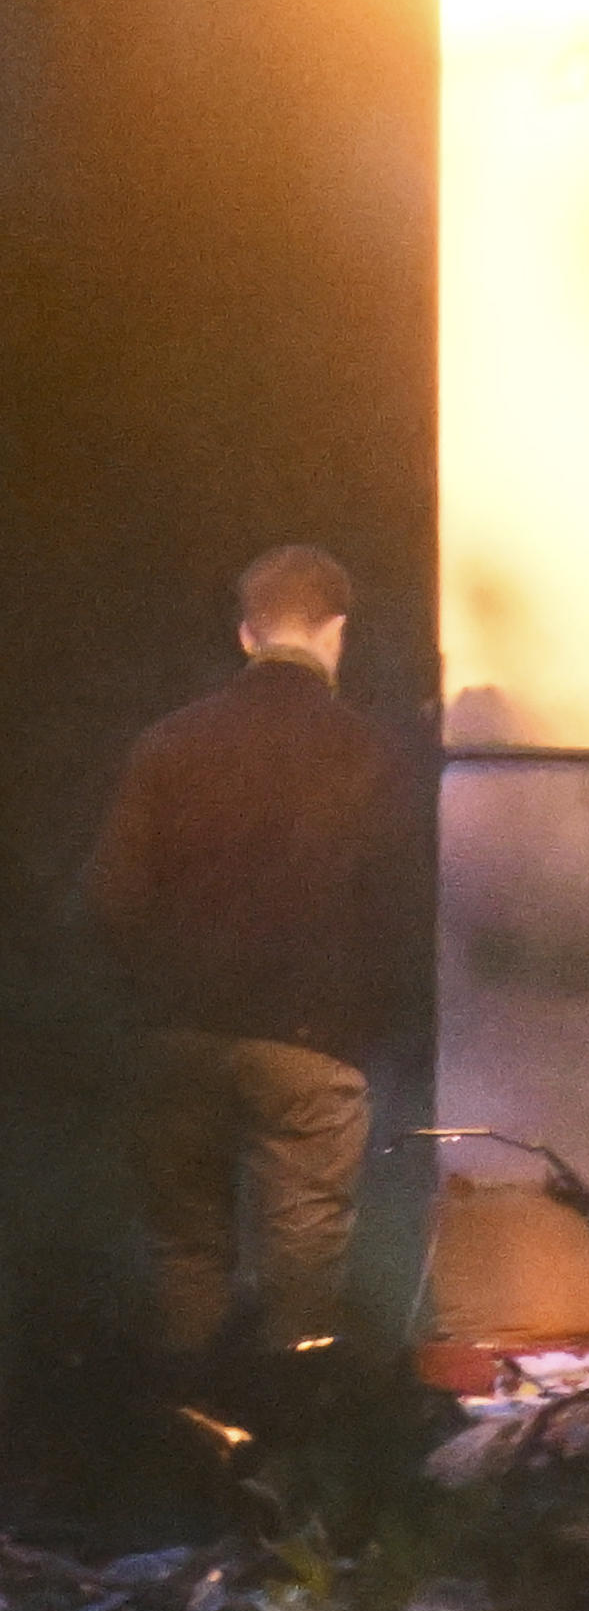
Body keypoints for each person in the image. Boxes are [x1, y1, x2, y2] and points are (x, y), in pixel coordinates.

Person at [82, 546, 413, 1360]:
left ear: (245, 636)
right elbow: (401, 913)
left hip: (179, 1039)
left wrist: (159, 997)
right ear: (336, 633)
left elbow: (108, 899)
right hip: (311, 1045)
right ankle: (288, 1445)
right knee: (301, 1271)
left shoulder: (167, 745)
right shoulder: (372, 755)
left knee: (188, 1254)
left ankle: (200, 1442)